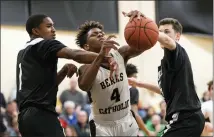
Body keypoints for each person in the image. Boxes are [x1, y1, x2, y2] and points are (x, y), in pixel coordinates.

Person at [16, 14, 116, 137]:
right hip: (41, 114)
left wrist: (63, 72)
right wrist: (105, 57)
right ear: (36, 31)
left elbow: (43, 86)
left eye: (53, 26)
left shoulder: (23, 53)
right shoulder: (44, 44)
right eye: (48, 26)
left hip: (24, 119)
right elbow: (75, 54)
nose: (53, 29)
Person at [124, 10, 205, 137]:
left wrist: (146, 24)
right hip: (187, 119)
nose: (161, 34)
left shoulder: (176, 52)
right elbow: (165, 91)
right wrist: (139, 83)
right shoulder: (165, 62)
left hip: (185, 118)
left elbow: (168, 41)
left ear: (177, 36)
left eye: (166, 32)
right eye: (160, 31)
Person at [76, 19, 146, 136]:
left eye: (101, 33)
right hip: (102, 126)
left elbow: (143, 45)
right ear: (86, 46)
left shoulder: (120, 54)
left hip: (126, 121)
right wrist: (100, 56)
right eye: (94, 34)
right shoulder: (85, 68)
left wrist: (141, 22)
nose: (100, 34)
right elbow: (84, 85)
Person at [126, 63, 154, 136]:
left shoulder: (117, 88)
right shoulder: (133, 90)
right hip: (127, 129)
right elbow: (134, 114)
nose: (136, 80)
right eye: (135, 77)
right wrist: (148, 132)